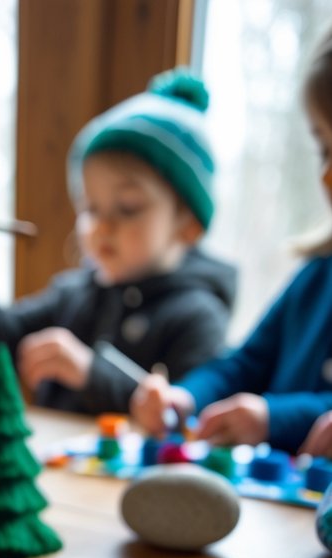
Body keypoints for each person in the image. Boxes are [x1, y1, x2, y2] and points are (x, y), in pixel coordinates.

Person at [0, 69, 236, 415]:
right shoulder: (75, 294)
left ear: (188, 224)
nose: (101, 226)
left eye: (127, 208)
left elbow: (186, 419)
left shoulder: (197, 315)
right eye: (90, 208)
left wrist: (91, 374)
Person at [132, 26, 332, 453]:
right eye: (325, 150)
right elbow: (244, 364)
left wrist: (273, 417)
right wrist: (185, 398)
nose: (326, 175)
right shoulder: (316, 276)